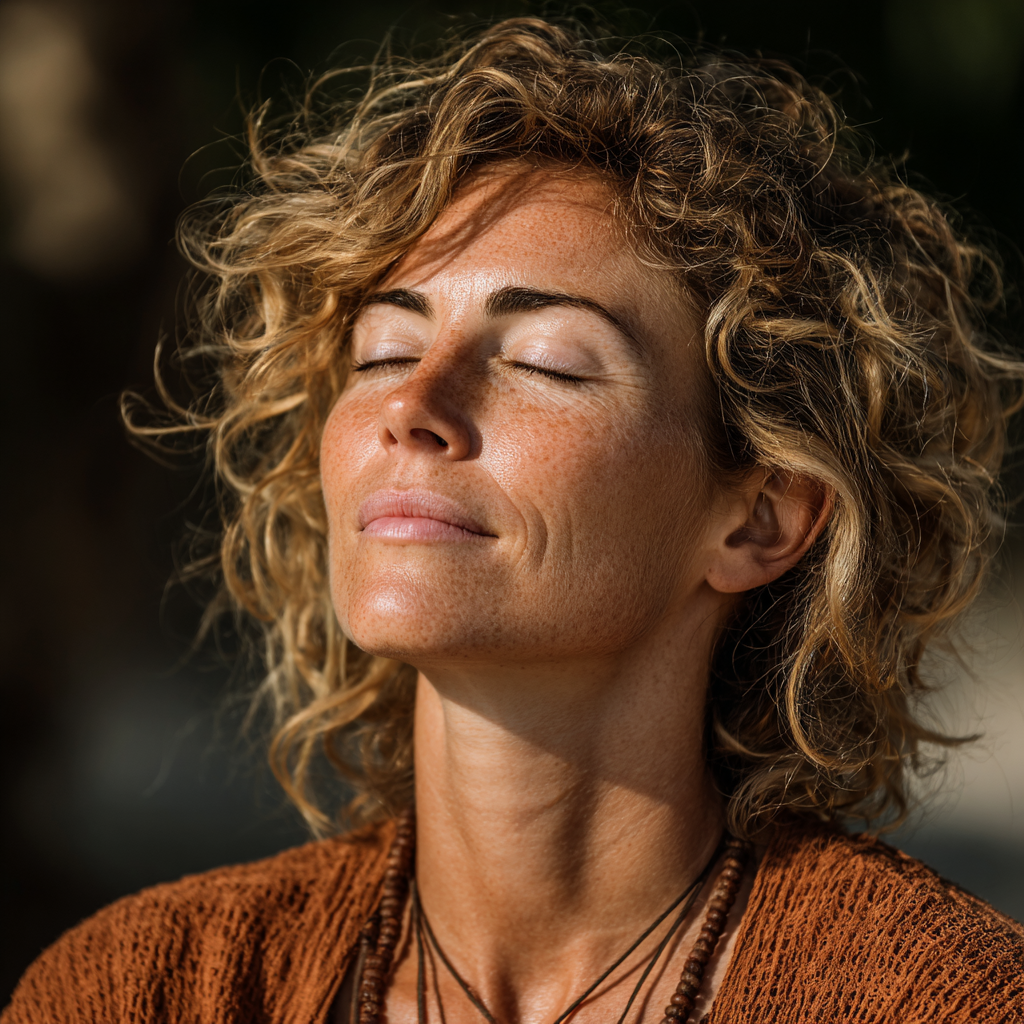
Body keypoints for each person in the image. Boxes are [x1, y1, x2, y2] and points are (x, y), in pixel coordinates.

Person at [5, 16, 1024, 1024]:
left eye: (548, 361)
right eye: (383, 353)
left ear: (760, 520)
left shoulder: (941, 1001)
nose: (413, 408)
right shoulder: (141, 989)